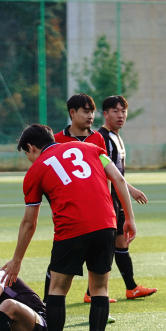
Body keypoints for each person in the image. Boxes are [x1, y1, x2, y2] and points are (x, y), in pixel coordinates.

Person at [1, 124, 136, 331]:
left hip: (71, 230)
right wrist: (129, 218)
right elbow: (118, 179)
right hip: (107, 225)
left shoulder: (36, 171)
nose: (29, 160)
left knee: (58, 289)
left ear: (32, 147)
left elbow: (29, 223)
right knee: (100, 289)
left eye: (27, 154)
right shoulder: (92, 148)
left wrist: (17, 259)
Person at [49, 93, 113, 305]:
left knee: (99, 265)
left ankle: (97, 301)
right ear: (72, 113)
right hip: (71, 215)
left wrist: (109, 203)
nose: (90, 115)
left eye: (92, 111)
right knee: (58, 267)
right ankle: (46, 306)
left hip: (99, 214)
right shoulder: (57, 140)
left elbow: (107, 175)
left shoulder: (98, 138)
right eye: (86, 111)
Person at [97, 95, 157, 300]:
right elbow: (106, 172)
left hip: (117, 198)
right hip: (107, 199)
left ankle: (131, 288)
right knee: (106, 245)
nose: (120, 115)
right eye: (115, 111)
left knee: (120, 243)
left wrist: (126, 189)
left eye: (123, 111)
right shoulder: (102, 138)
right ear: (105, 114)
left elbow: (117, 173)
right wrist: (130, 189)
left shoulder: (116, 136)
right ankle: (93, 292)